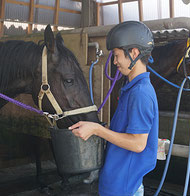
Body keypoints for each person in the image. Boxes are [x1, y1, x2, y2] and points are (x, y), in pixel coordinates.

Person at [69, 21, 159, 196]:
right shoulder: (130, 88)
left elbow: (138, 144)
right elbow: (124, 132)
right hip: (116, 184)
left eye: (117, 55)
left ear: (134, 53)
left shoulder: (141, 93)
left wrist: (97, 129)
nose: (115, 61)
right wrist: (100, 129)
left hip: (124, 189)